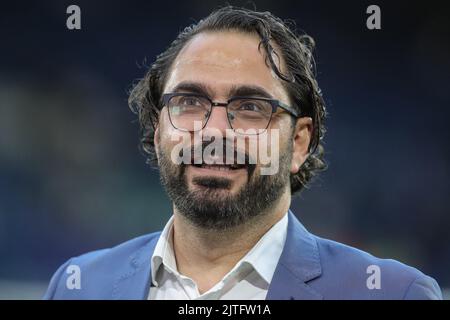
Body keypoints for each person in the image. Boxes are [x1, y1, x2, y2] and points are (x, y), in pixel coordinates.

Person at [44, 6, 442, 300]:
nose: (214, 130)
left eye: (251, 107)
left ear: (299, 142)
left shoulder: (392, 294)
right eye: (189, 102)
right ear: (156, 127)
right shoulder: (77, 285)